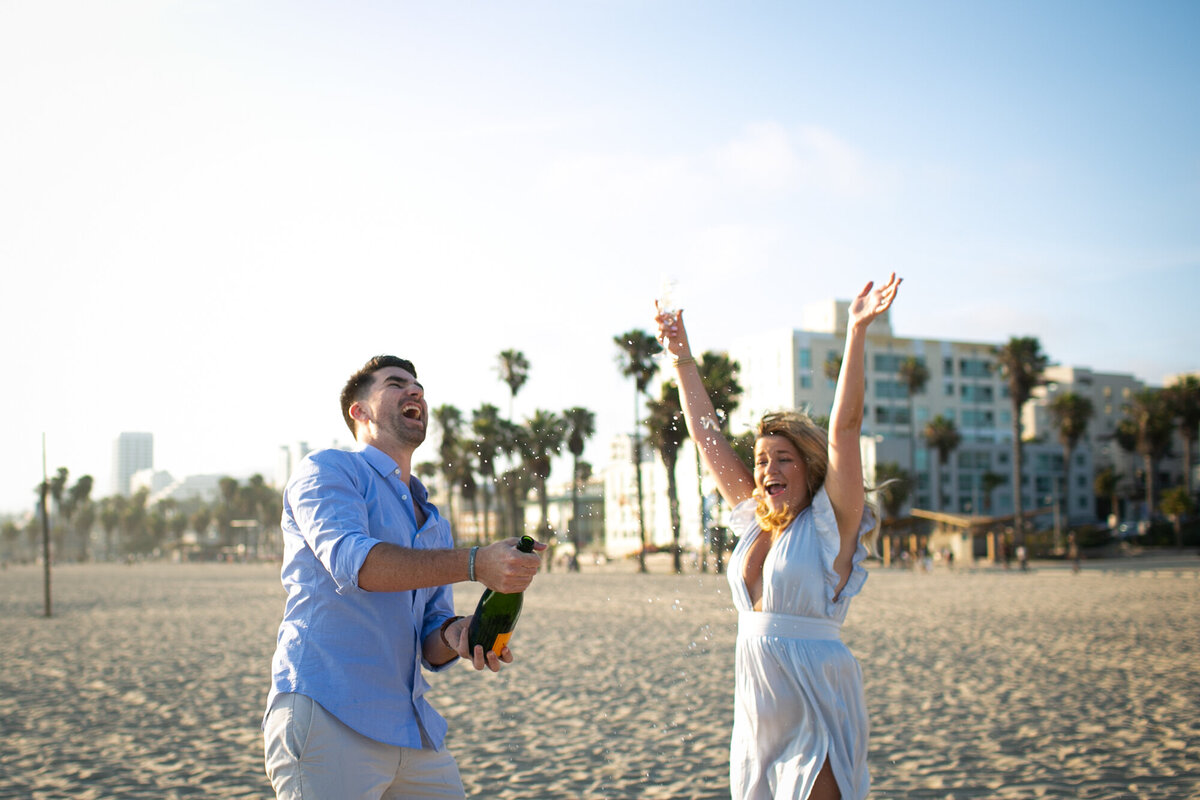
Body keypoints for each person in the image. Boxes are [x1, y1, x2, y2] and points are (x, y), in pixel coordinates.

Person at [655, 274, 900, 800]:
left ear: (811, 470)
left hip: (814, 689)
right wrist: (680, 355)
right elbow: (704, 432)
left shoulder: (831, 523)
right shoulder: (755, 522)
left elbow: (846, 429)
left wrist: (856, 331)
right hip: (758, 701)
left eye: (783, 459)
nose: (767, 467)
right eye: (762, 459)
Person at [263, 355, 545, 800]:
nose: (415, 392)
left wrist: (461, 634)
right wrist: (476, 563)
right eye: (396, 384)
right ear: (360, 411)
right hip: (327, 714)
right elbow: (356, 564)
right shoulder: (329, 470)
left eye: (419, 387)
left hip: (411, 730)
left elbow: (432, 636)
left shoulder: (431, 518)